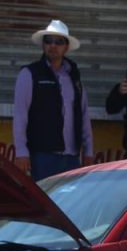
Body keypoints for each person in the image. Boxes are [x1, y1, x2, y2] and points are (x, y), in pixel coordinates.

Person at [12, 20, 94, 180]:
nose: (53, 45)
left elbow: (84, 116)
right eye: (48, 41)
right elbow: (20, 115)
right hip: (42, 157)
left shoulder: (74, 78)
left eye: (59, 42)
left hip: (72, 158)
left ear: (66, 47)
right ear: (43, 45)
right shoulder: (30, 74)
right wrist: (21, 152)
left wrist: (88, 151)